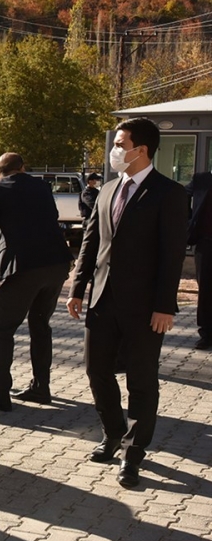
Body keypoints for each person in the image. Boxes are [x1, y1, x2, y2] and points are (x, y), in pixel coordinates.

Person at [68, 117, 189, 488]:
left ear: (142, 150)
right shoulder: (106, 191)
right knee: (96, 371)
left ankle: (133, 453)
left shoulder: (169, 193)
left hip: (145, 307)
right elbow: (92, 243)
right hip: (102, 301)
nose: (114, 151)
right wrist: (76, 287)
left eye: (120, 144)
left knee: (141, 380)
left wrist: (165, 306)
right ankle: (114, 433)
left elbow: (173, 255)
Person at [0, 153, 72, 411]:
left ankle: (0, 394)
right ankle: (41, 387)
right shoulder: (42, 187)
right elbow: (50, 216)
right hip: (56, 264)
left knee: (4, 329)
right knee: (40, 325)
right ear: (22, 168)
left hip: (23, 268)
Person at [186, 171, 212, 350]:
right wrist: (188, 222)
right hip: (206, 243)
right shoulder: (202, 180)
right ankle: (207, 334)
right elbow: (180, 196)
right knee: (206, 290)